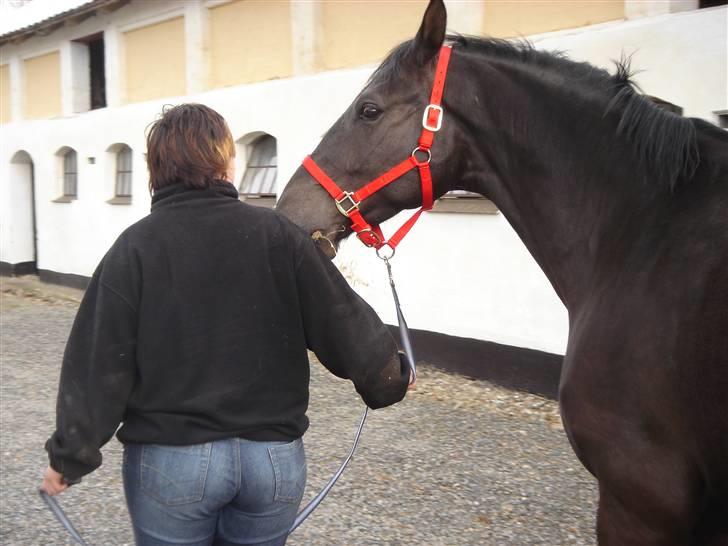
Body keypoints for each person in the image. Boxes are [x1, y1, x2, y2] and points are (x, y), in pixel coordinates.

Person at [40, 103, 411, 546]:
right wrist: (388, 377)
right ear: (226, 162)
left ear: (154, 171)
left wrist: (69, 459)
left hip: (173, 463)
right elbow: (342, 320)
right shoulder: (281, 237)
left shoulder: (134, 249)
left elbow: (99, 364)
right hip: (271, 463)